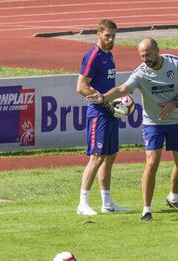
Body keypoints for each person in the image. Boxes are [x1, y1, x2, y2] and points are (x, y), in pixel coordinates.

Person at [87, 38, 178, 221]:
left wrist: (174, 103)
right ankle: (146, 210)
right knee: (152, 162)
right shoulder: (141, 73)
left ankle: (174, 198)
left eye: (148, 55)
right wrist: (103, 97)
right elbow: (122, 88)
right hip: (152, 123)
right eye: (142, 56)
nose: (145, 59)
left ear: (157, 51)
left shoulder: (174, 63)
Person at [76, 19, 128, 215]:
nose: (111, 39)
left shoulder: (109, 55)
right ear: (98, 35)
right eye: (107, 35)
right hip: (98, 112)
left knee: (110, 156)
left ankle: (107, 203)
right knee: (96, 157)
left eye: (113, 35)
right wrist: (100, 99)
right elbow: (81, 86)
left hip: (110, 110)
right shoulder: (93, 56)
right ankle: (83, 203)